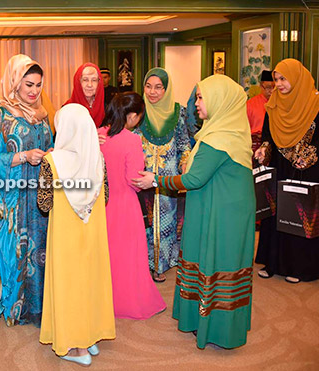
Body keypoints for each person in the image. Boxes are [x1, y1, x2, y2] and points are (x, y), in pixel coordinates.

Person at [133, 74, 255, 349]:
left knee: (217, 261)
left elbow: (193, 180)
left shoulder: (218, 138)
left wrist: (156, 180)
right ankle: (203, 319)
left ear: (219, 100)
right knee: (206, 257)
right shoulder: (224, 129)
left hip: (224, 212)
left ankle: (216, 328)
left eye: (201, 97)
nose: (195, 104)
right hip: (217, 203)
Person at [38, 103, 115, 366]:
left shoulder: (52, 162)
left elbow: (44, 204)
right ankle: (90, 338)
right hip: (91, 233)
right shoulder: (98, 158)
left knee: (68, 285)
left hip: (64, 236)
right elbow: (104, 197)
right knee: (89, 282)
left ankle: (75, 348)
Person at [0, 54, 53, 326]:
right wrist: (24, 156)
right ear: (14, 84)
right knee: (16, 250)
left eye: (38, 85)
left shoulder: (43, 113)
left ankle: (38, 303)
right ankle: (14, 306)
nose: (34, 91)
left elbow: (49, 143)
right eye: (28, 85)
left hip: (40, 191)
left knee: (41, 247)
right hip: (12, 196)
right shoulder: (1, 115)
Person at [254, 59, 319, 283]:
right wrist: (264, 147)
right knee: (277, 213)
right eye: (276, 80)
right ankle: (273, 262)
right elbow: (268, 135)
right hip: (280, 165)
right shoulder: (274, 104)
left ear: (297, 77)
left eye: (283, 79)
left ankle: (299, 266)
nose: (278, 84)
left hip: (306, 168)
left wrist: (312, 152)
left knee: (300, 214)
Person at [99, 92, 166, 319]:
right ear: (134, 116)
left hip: (100, 204)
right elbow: (134, 180)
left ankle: (103, 300)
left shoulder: (97, 135)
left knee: (104, 255)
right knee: (127, 257)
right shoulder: (132, 140)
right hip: (125, 205)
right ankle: (128, 302)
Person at [134, 67, 191, 283]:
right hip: (142, 177)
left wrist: (185, 163)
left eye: (158, 87)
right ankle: (144, 262)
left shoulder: (179, 112)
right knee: (144, 222)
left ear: (166, 89)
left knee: (166, 222)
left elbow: (184, 143)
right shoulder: (138, 110)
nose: (152, 92)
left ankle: (160, 265)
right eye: (148, 86)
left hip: (168, 180)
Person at [64, 63, 105, 127]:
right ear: (78, 82)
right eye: (85, 80)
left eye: (94, 80)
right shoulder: (67, 109)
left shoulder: (107, 108)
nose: (90, 85)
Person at [247, 70, 275, 153]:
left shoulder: (282, 104)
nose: (272, 91)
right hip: (256, 146)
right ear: (261, 86)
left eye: (275, 87)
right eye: (269, 87)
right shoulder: (250, 104)